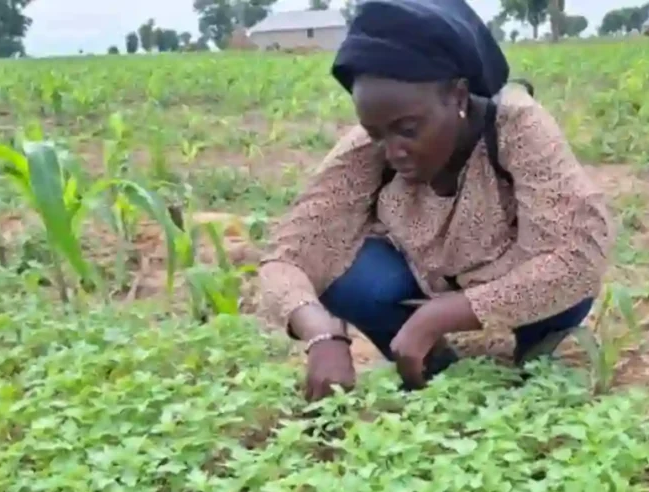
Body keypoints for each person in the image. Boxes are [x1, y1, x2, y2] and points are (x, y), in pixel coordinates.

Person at [258, 0, 613, 402]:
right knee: (353, 280)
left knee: (561, 294)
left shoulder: (516, 125)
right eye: (376, 133)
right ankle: (432, 369)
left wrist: (440, 316)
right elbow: (286, 257)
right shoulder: (371, 146)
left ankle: (535, 355)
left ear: (458, 97)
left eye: (408, 130)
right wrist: (321, 334)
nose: (393, 150)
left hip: (517, 275)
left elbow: (579, 257)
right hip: (427, 279)